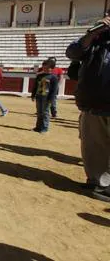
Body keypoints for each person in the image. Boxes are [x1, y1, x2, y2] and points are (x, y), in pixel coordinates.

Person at [66, 15, 110, 202]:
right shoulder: (95, 39)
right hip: (93, 101)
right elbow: (72, 53)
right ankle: (97, 181)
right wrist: (93, 32)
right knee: (93, 144)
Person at [31, 60, 58, 134]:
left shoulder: (53, 77)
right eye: (44, 67)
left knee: (45, 112)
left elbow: (54, 90)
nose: (45, 68)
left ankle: (45, 128)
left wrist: (51, 99)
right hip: (39, 96)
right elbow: (35, 86)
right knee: (39, 112)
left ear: (51, 68)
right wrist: (33, 95)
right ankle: (38, 127)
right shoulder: (39, 76)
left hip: (46, 97)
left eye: (47, 67)